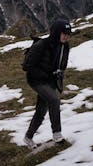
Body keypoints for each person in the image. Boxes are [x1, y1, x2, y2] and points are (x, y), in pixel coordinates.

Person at [23, 19, 71, 149]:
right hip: (36, 80)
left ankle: (28, 137)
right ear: (56, 32)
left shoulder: (64, 47)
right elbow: (27, 66)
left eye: (68, 34)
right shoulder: (41, 45)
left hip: (51, 81)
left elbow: (63, 65)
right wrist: (43, 74)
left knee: (41, 110)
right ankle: (57, 134)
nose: (66, 36)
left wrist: (56, 76)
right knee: (54, 100)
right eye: (63, 33)